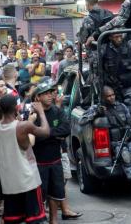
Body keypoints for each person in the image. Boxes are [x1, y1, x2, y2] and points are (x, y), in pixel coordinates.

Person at [80, 86, 131, 199]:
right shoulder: (97, 108)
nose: (111, 97)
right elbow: (82, 121)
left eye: (113, 95)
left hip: (129, 140)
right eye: (108, 96)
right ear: (103, 97)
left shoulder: (122, 106)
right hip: (116, 143)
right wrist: (96, 114)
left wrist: (130, 133)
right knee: (125, 156)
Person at [0, 94, 50, 224]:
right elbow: (46, 132)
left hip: (9, 183)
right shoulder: (22, 126)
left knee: (13, 219)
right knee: (36, 219)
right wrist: (41, 112)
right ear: (16, 107)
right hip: (27, 180)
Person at [32, 81, 75, 223]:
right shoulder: (33, 114)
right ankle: (40, 218)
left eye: (50, 92)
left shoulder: (57, 111)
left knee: (56, 192)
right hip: (39, 162)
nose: (50, 96)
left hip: (55, 160)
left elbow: (66, 129)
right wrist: (53, 135)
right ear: (38, 97)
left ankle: (53, 220)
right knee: (40, 194)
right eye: (45, 93)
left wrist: (47, 133)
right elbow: (34, 137)